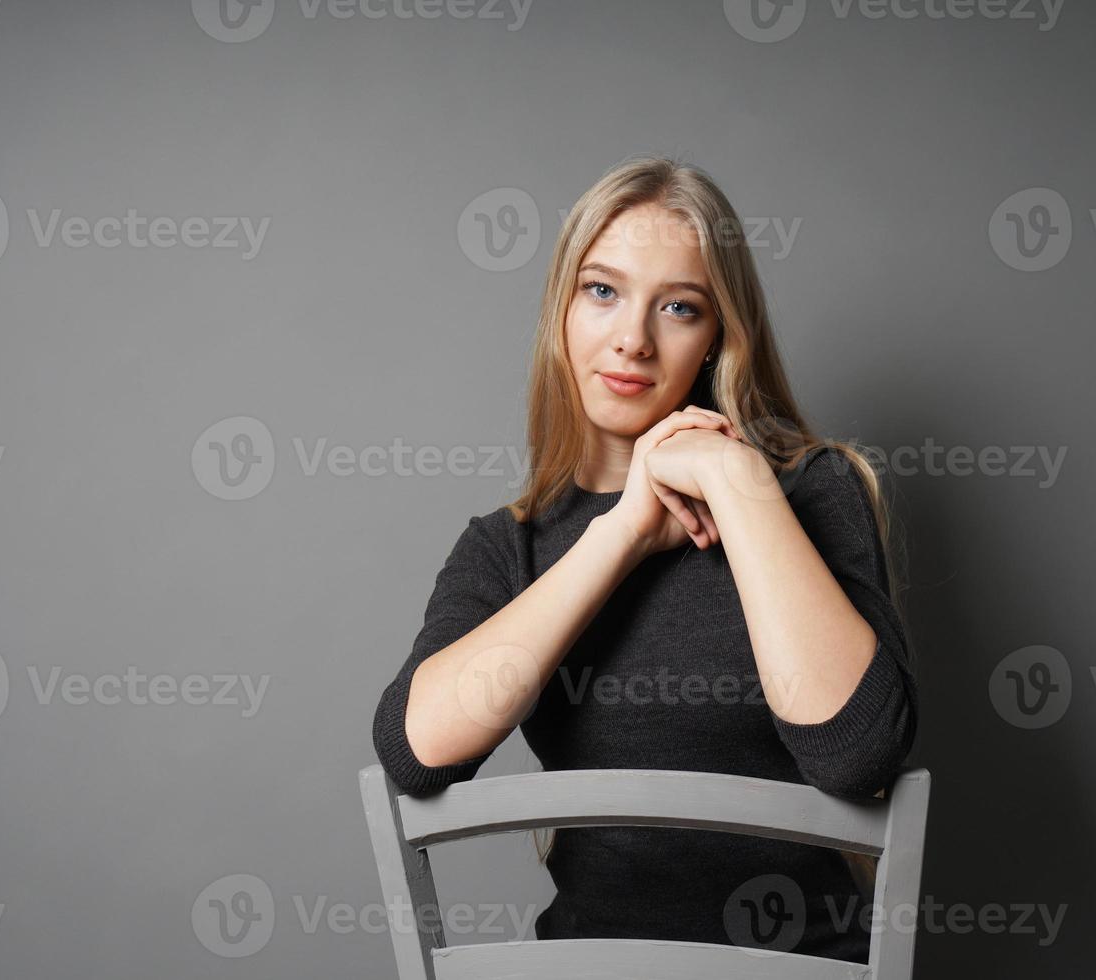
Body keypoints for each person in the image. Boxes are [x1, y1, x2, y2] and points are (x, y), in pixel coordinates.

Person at [371, 155, 918, 964]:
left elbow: (858, 750)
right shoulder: (507, 546)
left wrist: (736, 479)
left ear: (717, 338)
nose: (632, 338)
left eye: (679, 306)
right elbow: (415, 750)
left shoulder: (809, 493)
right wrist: (623, 532)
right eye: (602, 291)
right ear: (561, 309)